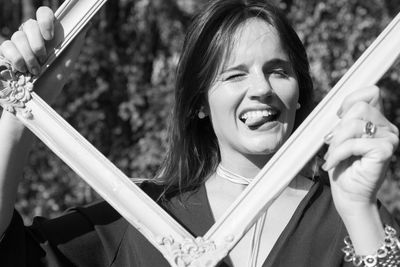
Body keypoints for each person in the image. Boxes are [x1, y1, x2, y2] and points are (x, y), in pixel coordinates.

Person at [0, 0, 399, 266]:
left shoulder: (350, 212)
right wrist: (22, 110)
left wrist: (361, 208)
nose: (261, 88)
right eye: (235, 74)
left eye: (278, 70)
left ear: (300, 95)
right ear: (199, 105)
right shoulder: (143, 218)